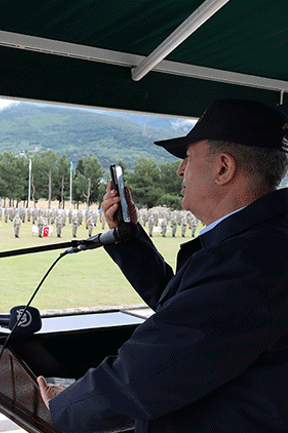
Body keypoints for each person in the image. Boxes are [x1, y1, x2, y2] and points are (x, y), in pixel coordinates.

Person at [37, 99, 288, 432]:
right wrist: (127, 238)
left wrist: (66, 403)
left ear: (223, 168)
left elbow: (145, 378)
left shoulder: (250, 260)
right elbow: (190, 310)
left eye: (188, 158)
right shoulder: (260, 243)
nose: (180, 170)